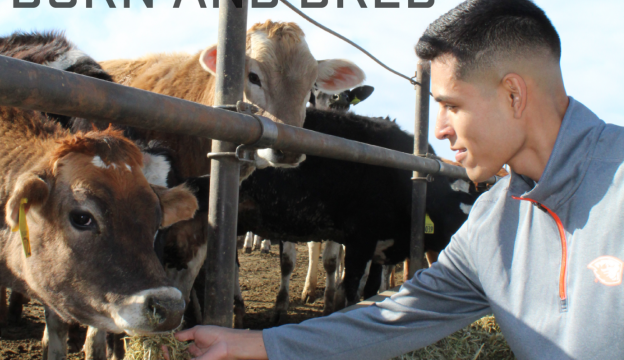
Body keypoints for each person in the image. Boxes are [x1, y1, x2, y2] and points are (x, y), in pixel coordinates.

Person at [166, 0, 624, 358]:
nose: (439, 129)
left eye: (452, 105)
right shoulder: (492, 224)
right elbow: (396, 316)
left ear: (513, 94)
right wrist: (258, 346)